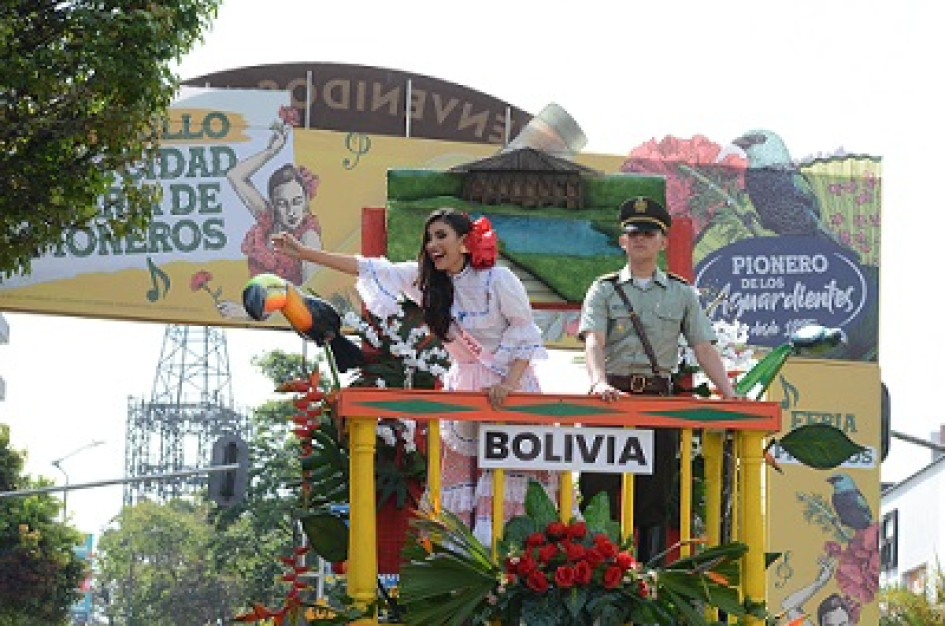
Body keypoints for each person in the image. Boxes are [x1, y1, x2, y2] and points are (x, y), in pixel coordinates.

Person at [272, 207, 557, 546]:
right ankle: (469, 566)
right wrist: (304, 253)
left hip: (509, 389)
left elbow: (525, 333)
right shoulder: (427, 282)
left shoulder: (498, 280)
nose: (433, 245)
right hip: (465, 388)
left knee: (509, 478)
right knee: (467, 480)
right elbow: (369, 267)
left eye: (442, 236)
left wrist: (508, 385)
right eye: (429, 238)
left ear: (466, 242)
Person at [577, 196, 738, 564]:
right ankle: (593, 580)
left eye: (648, 233)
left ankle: (649, 584)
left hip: (657, 404)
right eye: (633, 233)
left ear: (663, 242)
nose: (640, 239)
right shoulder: (602, 289)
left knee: (654, 498)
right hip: (610, 400)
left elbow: (704, 346)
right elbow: (593, 342)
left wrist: (728, 394)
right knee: (597, 494)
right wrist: (598, 382)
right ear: (623, 241)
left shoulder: (681, 293)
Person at [228, 123, 322, 286]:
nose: (291, 211)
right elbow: (235, 175)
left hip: (284, 311)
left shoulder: (308, 238)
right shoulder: (269, 221)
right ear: (274, 205)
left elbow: (310, 295)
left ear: (306, 200)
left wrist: (246, 312)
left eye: (297, 202)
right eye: (282, 204)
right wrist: (271, 151)